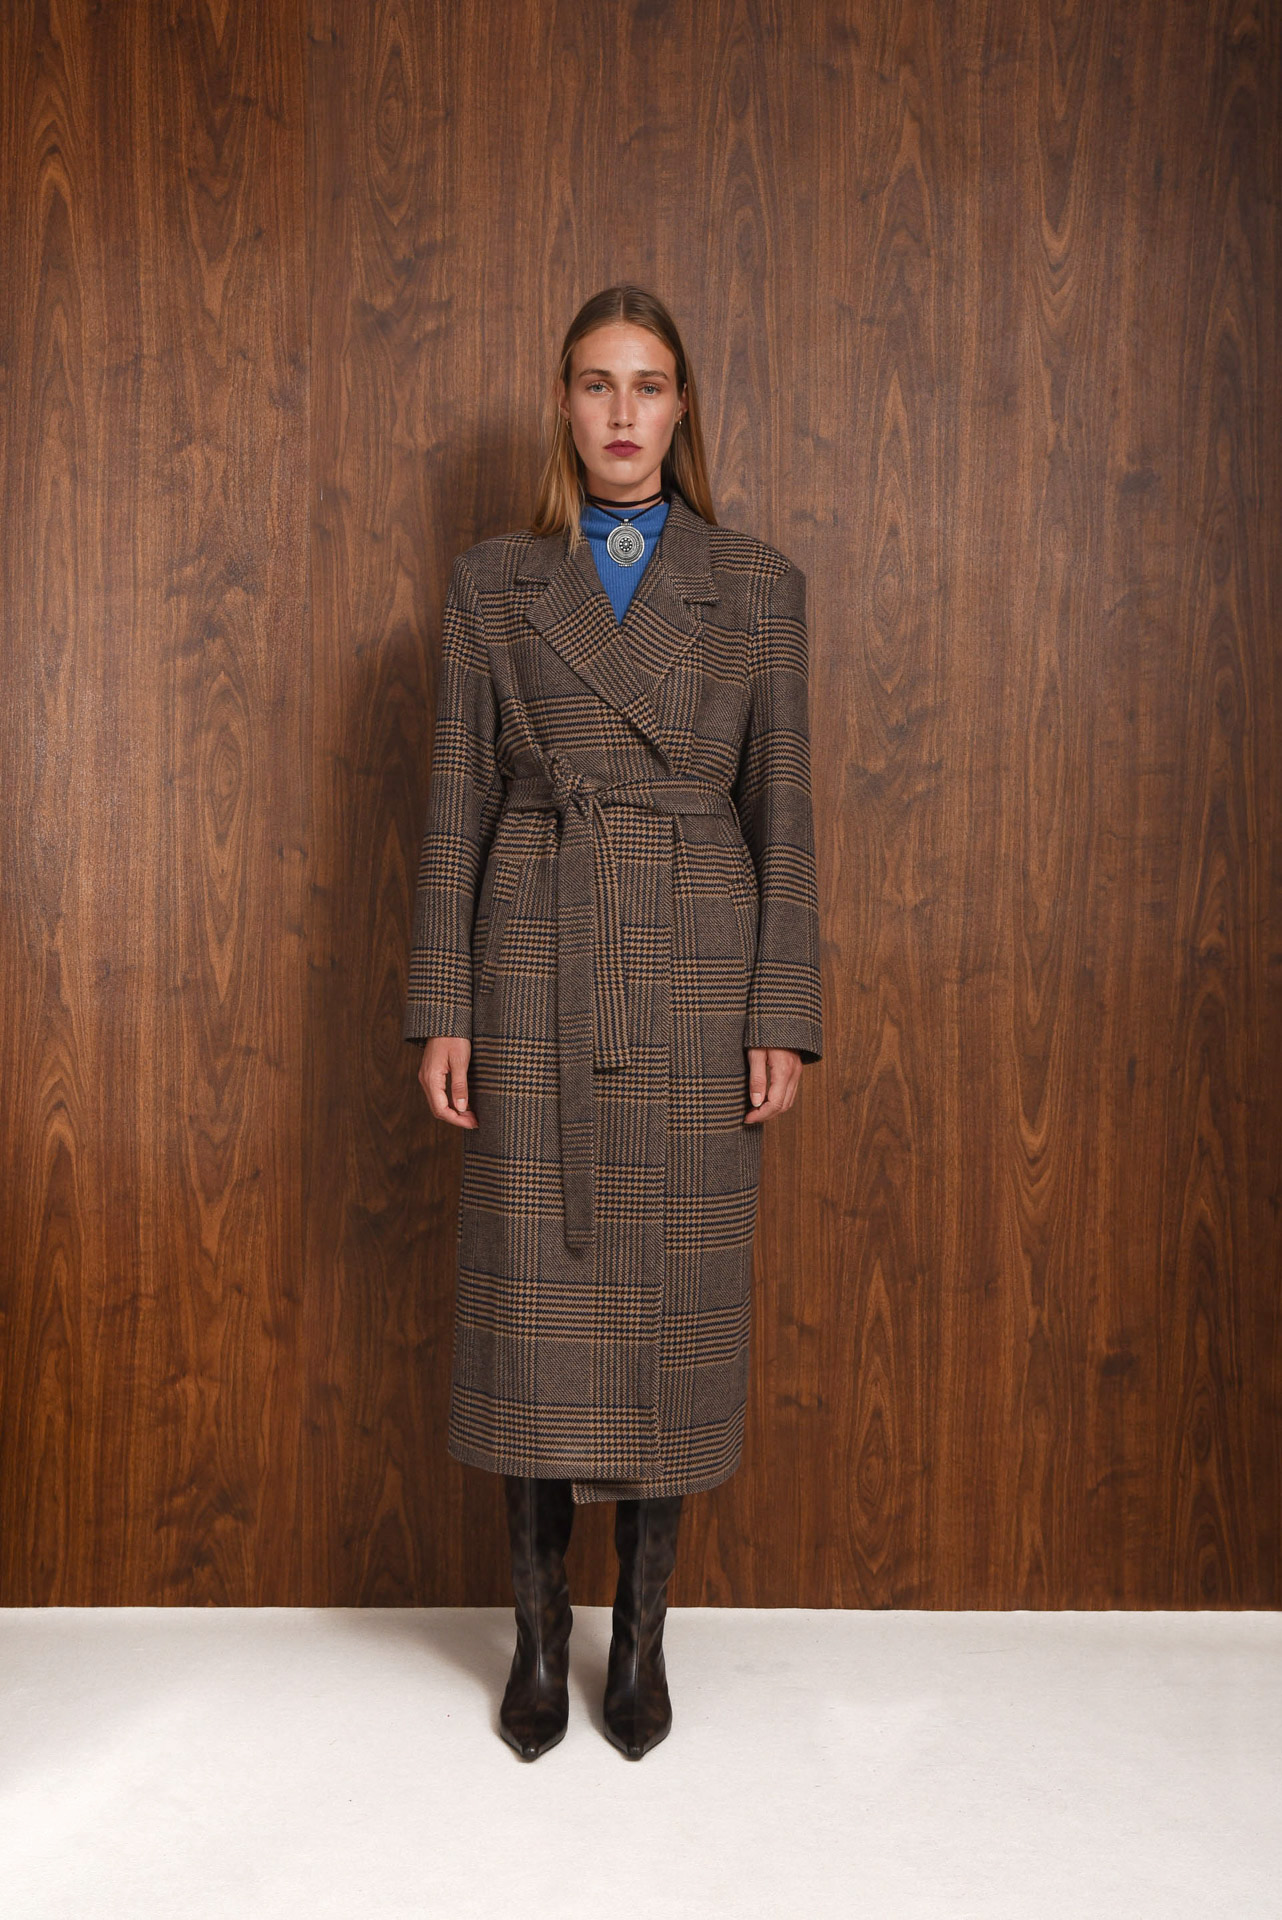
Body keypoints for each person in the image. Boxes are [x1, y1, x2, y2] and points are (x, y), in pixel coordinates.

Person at [403, 283, 823, 1761]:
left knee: (672, 1301)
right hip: (535, 953)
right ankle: (537, 1637)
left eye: (648, 385)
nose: (623, 413)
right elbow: (454, 802)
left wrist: (781, 1008)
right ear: (563, 405)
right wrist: (442, 1007)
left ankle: (639, 1640)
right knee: (534, 1298)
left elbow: (784, 812)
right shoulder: (492, 585)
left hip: (697, 961)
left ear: (682, 405)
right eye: (596, 384)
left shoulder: (757, 585)